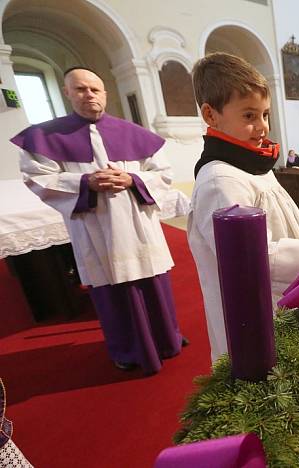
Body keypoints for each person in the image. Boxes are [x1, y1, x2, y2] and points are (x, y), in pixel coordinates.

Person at [187, 52, 299, 361]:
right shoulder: (220, 180)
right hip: (258, 315)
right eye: (249, 116)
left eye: (265, 115)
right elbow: (247, 261)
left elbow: (282, 224)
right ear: (211, 115)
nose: (263, 126)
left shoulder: (253, 167)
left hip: (288, 299)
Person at [12, 67, 185, 374]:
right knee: (111, 289)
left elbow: (163, 174)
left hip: (138, 223)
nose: (88, 94)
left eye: (95, 88)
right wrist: (85, 183)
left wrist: (132, 178)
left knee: (153, 281)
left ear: (104, 93)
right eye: (80, 89)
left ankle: (166, 339)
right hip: (94, 225)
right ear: (68, 93)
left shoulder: (132, 133)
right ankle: (128, 349)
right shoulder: (46, 136)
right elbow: (38, 179)